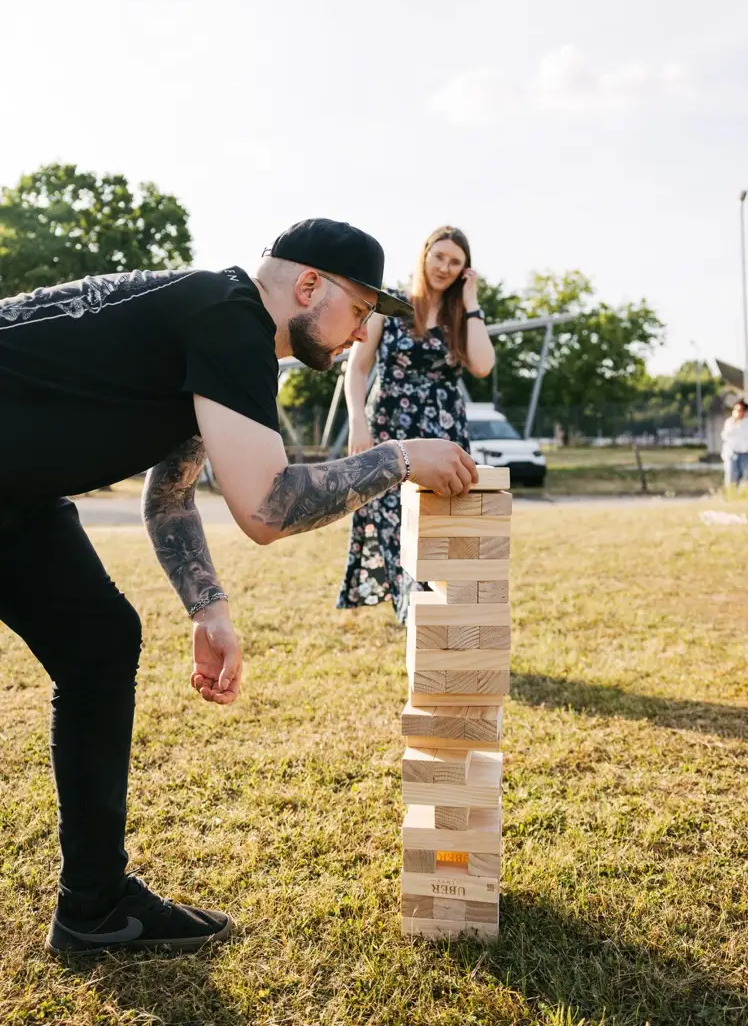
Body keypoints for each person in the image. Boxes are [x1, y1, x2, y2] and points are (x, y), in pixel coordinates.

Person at [0, 217, 476, 956]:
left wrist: (209, 607)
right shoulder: (230, 320)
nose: (361, 333)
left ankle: (94, 906)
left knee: (99, 642)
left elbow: (169, 496)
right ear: (309, 285)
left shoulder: (219, 326)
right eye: (359, 309)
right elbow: (268, 507)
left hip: (17, 495)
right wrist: (400, 458)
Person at [337, 226, 495, 620]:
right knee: (392, 517)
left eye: (455, 262)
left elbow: (482, 365)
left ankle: (435, 610)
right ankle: (412, 612)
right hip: (388, 427)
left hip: (444, 431)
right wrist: (357, 422)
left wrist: (471, 302)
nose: (444, 267)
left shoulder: (462, 316)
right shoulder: (389, 306)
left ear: (464, 270)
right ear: (424, 255)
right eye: (439, 256)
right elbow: (357, 368)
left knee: (442, 522)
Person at [721, 399, 748, 486]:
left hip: (746, 455)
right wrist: (734, 424)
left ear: (745, 412)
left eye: (739, 410)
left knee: (747, 480)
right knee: (731, 481)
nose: (736, 412)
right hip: (732, 454)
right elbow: (724, 436)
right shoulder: (729, 422)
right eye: (735, 410)